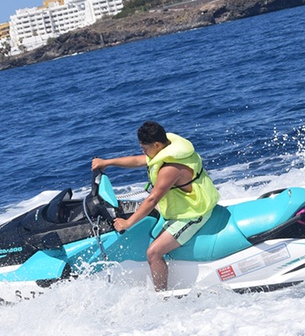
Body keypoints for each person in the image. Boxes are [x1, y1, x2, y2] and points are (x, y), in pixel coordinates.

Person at [91, 121, 220, 291]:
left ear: (157, 145)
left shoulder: (171, 168)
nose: (143, 152)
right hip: (184, 207)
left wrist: (128, 223)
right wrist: (107, 162)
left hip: (193, 214)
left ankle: (162, 297)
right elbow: (138, 161)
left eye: (144, 148)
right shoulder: (167, 150)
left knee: (153, 252)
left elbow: (152, 199)